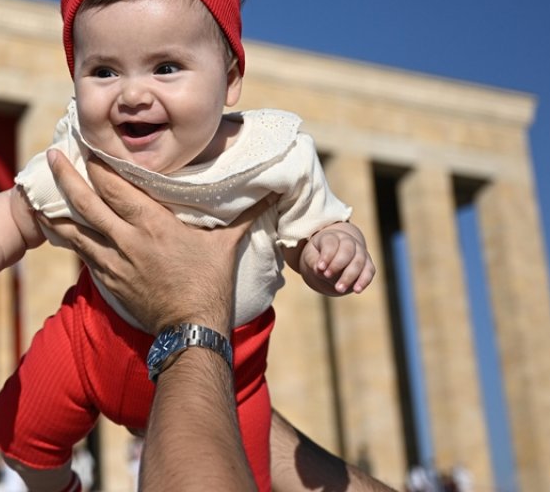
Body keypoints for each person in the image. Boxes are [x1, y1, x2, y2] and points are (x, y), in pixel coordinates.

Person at [0, 0, 375, 492]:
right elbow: (15, 211)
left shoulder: (271, 159)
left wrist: (333, 249)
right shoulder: (85, 160)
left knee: (247, 477)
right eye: (105, 71)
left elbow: (312, 234)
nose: (132, 94)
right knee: (19, 432)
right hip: (91, 341)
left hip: (228, 373)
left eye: (166, 68)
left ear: (232, 80)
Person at [44, 148, 393, 490]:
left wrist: (191, 320)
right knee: (30, 433)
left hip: (217, 367)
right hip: (154, 369)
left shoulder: (283, 153)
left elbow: (316, 226)